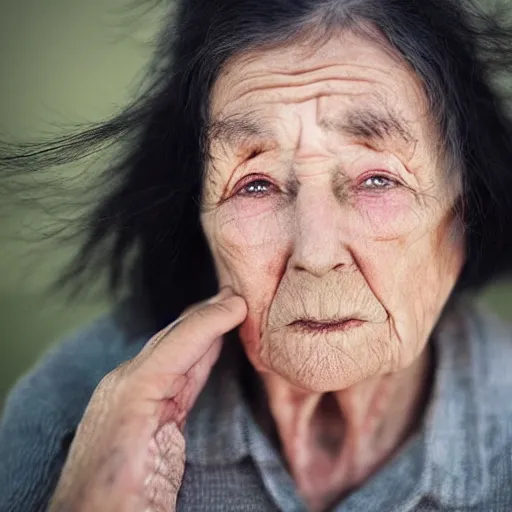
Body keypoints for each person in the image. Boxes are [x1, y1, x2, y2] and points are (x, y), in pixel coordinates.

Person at [1, 0, 512, 510]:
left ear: (462, 213)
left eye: (377, 179)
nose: (315, 254)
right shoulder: (74, 408)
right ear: (198, 213)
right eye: (256, 184)